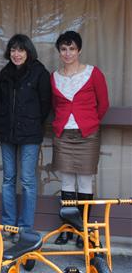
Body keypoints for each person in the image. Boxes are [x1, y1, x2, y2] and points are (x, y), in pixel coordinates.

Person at [51, 31, 109, 248]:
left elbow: (103, 104)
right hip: (64, 135)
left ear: (79, 50)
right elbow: (56, 106)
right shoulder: (54, 76)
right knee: (66, 183)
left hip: (87, 135)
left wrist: (89, 122)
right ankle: (67, 229)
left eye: (72, 49)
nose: (68, 53)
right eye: (64, 49)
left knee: (84, 182)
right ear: (59, 51)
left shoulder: (93, 73)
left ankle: (82, 231)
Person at [0, 34, 51, 240]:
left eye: (20, 50)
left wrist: (32, 123)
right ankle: (8, 225)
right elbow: (2, 103)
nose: (16, 54)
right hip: (7, 134)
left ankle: (26, 228)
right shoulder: (5, 73)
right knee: (8, 179)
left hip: (30, 134)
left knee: (27, 180)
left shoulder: (39, 72)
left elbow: (45, 105)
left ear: (28, 52)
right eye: (12, 50)